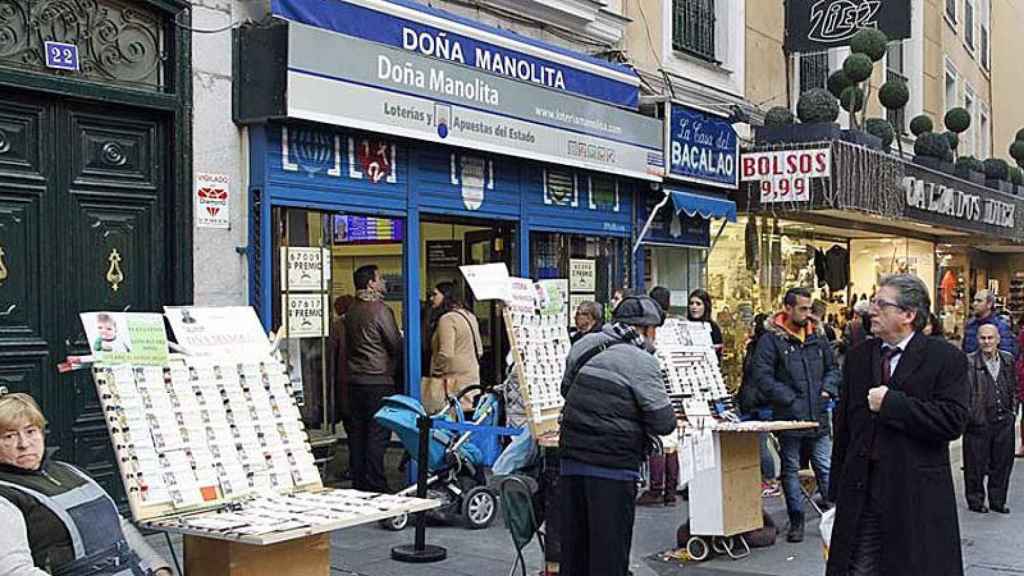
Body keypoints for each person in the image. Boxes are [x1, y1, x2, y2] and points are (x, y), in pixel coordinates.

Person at [827, 274, 968, 576]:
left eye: (881, 304)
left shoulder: (944, 358)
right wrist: (836, 486)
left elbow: (952, 420)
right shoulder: (858, 357)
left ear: (908, 315)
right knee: (857, 569)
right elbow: (844, 427)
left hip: (914, 496)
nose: (871, 310)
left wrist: (892, 404)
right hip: (863, 491)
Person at [559, 296, 676, 576]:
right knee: (609, 551)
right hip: (613, 464)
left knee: (575, 547)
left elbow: (566, 389)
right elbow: (664, 422)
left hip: (571, 455)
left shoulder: (584, 344)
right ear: (646, 329)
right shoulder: (642, 362)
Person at [0, 392, 173, 576]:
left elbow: (119, 524)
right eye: (9, 436)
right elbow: (15, 571)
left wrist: (157, 566)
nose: (24, 444)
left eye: (30, 431)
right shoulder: (5, 495)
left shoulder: (71, 471)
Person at [751, 287, 839, 543]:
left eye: (810, 308)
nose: (808, 313)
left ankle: (835, 516)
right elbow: (763, 377)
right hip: (790, 416)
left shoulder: (818, 335)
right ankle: (797, 519)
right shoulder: (772, 340)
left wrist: (826, 391)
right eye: (802, 308)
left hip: (818, 414)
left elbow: (833, 368)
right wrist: (789, 398)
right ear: (787, 308)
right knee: (790, 468)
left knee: (825, 466)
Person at [344, 264, 403, 493]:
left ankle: (359, 484)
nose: (383, 282)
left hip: (354, 380)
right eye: (380, 278)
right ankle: (377, 485)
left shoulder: (351, 310)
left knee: (358, 435)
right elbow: (394, 343)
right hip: (378, 380)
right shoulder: (380, 310)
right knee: (378, 435)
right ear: (371, 283)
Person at [963, 324, 1017, 514]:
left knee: (1002, 463)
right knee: (975, 464)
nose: (987, 342)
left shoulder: (1008, 359)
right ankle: (976, 500)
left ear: (998, 339)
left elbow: (1013, 386)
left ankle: (998, 501)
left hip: (1004, 418)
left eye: (990, 338)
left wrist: (1013, 411)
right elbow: (964, 392)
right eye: (983, 338)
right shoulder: (969, 362)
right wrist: (971, 415)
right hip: (979, 420)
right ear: (977, 340)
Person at [637, 287, 680, 507]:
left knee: (658, 439)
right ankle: (670, 491)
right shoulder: (674, 326)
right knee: (671, 441)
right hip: (676, 383)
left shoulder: (651, 327)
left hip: (656, 382)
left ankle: (656, 489)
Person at [738, 313, 781, 498]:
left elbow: (758, 376)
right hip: (752, 401)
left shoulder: (763, 348)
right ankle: (764, 478)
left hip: (759, 402)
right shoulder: (755, 346)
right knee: (756, 443)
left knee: (761, 443)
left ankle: (770, 480)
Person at [428, 282, 484, 412]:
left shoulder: (447, 319)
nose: (432, 298)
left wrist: (436, 372)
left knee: (450, 421)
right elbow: (479, 350)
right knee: (467, 420)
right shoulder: (469, 316)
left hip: (453, 382)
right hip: (471, 377)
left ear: (446, 296)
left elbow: (446, 353)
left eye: (435, 294)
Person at [963, 290, 1016, 356]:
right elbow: (966, 349)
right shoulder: (970, 324)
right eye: (974, 300)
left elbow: (1006, 353)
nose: (975, 304)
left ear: (989, 304)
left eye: (979, 301)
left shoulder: (1001, 326)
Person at [686, 289, 723, 358]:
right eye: (691, 303)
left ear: (706, 306)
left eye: (698, 304)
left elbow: (717, 353)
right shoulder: (684, 326)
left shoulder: (713, 328)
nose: (694, 307)